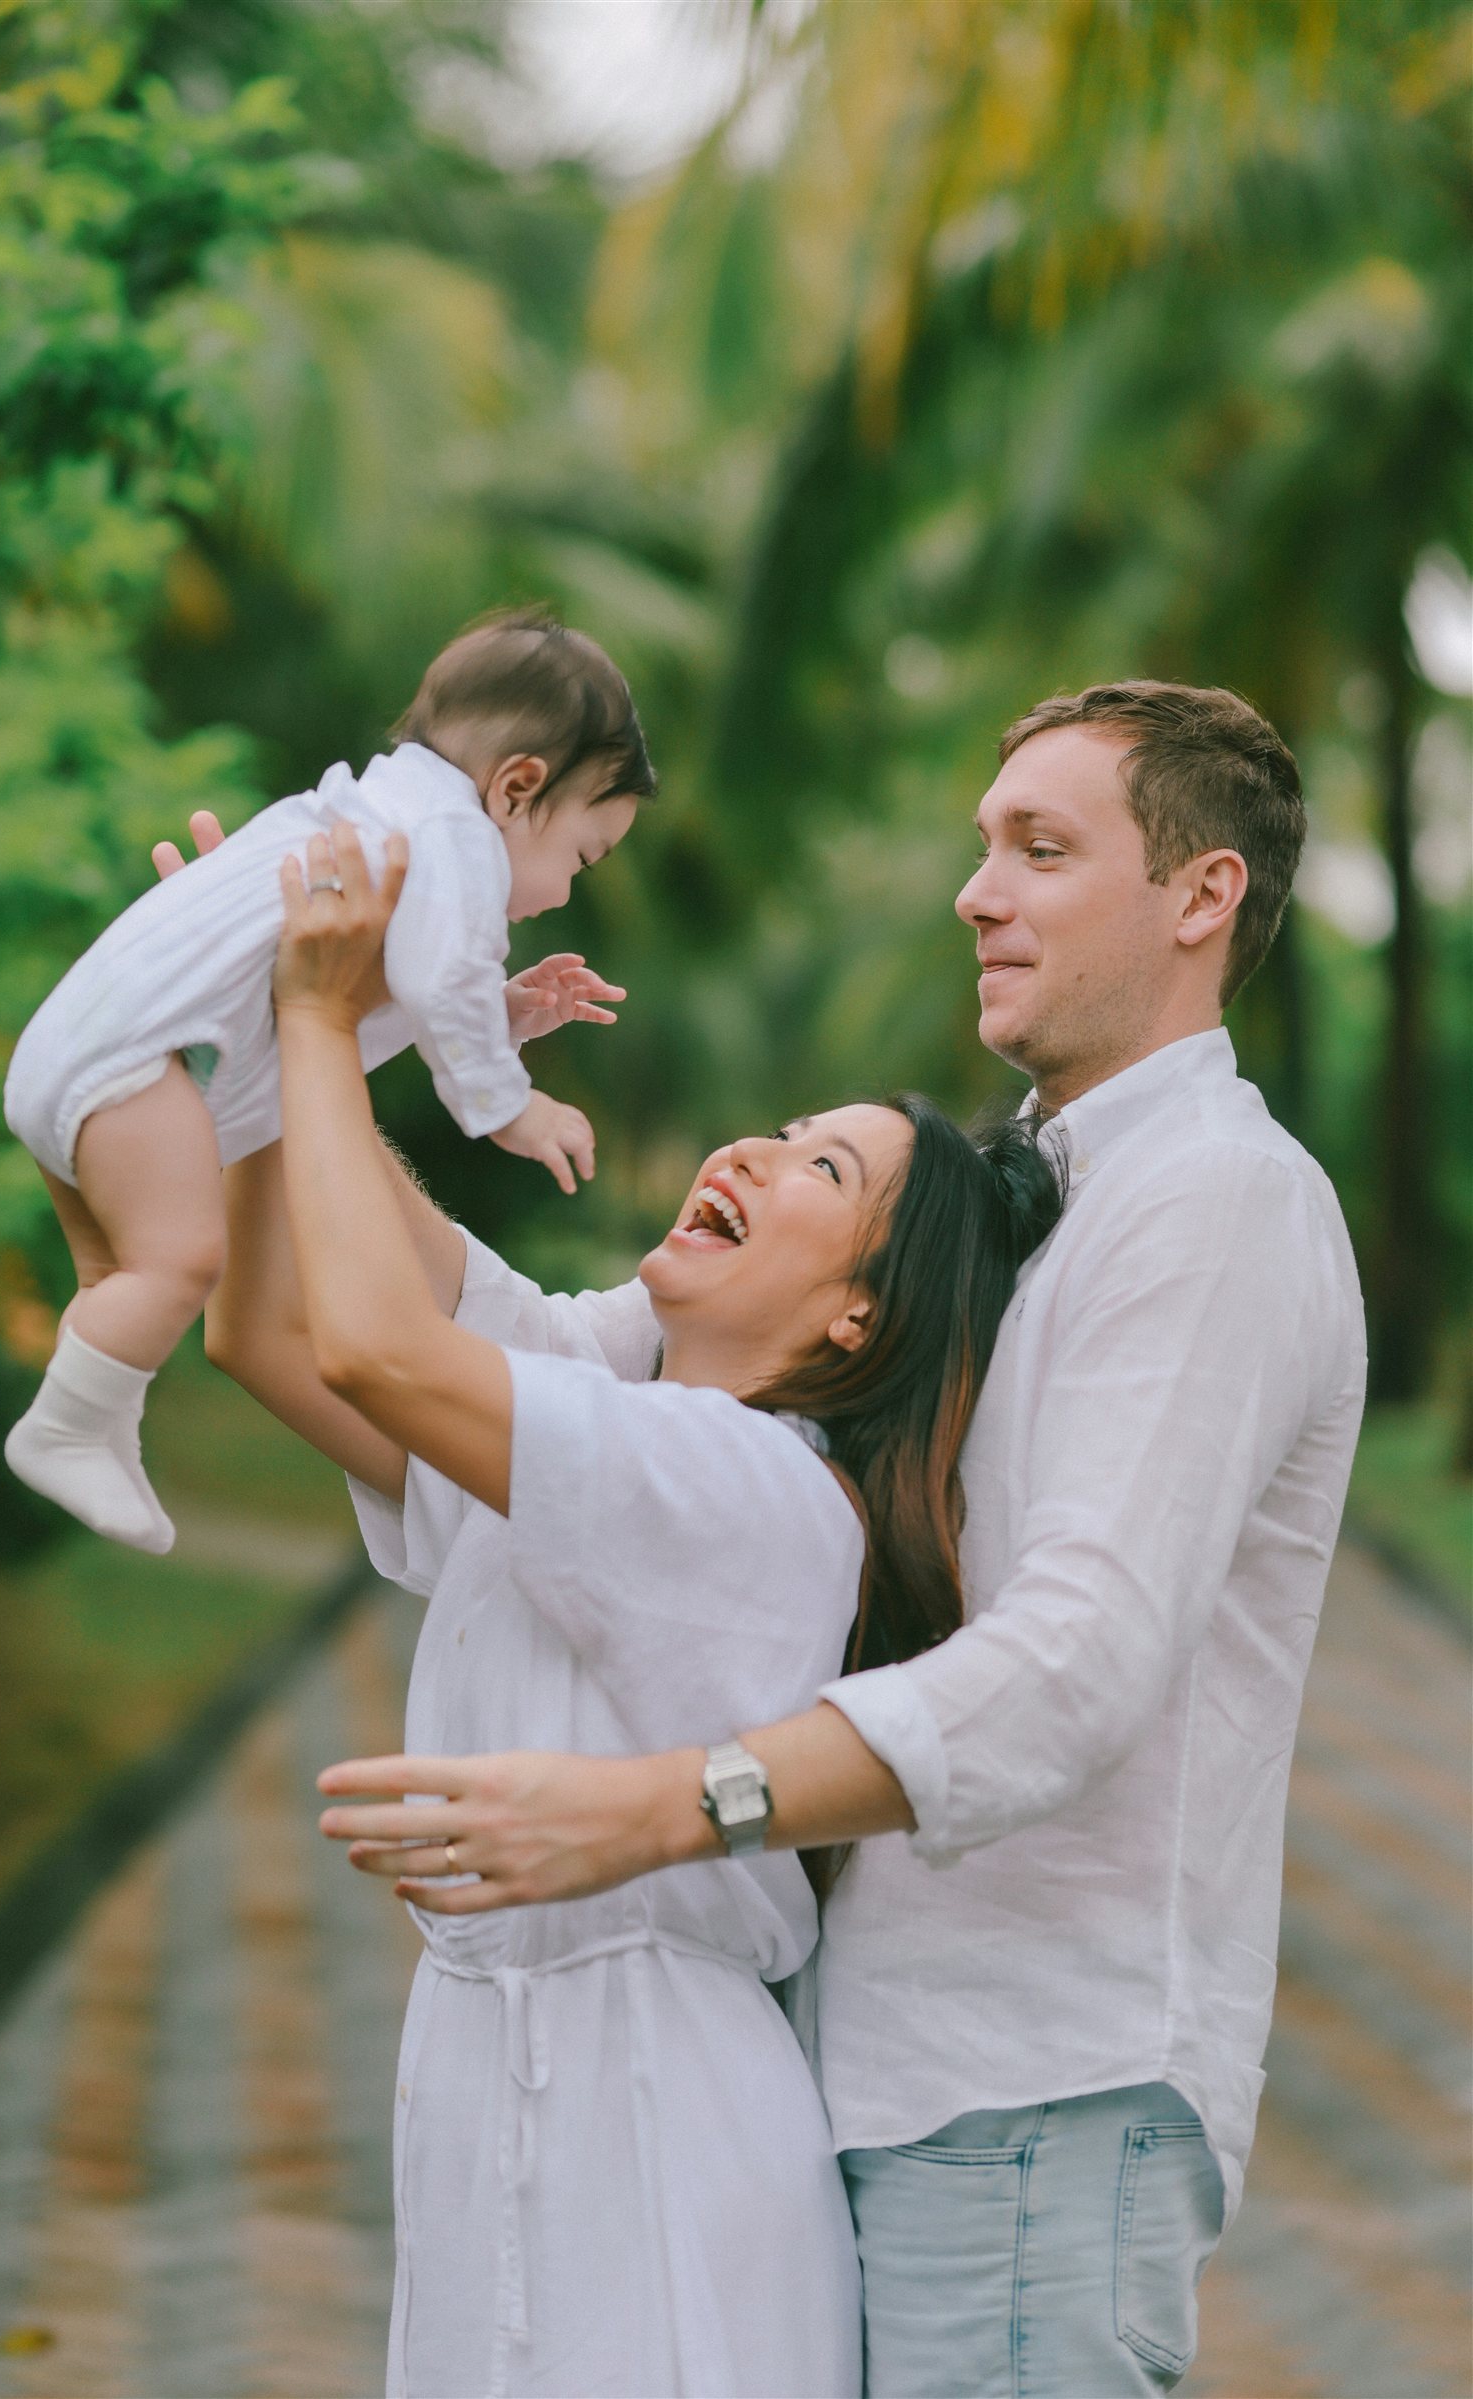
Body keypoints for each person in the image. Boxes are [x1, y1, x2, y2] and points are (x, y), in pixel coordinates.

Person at [317, 682, 1368, 2398]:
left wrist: (654, 1806)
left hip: (1037, 2101)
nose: (979, 890)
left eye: (1042, 846)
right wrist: (314, 1037)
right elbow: (508, 1346)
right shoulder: (1009, 1206)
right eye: (983, 846)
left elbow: (1076, 1657)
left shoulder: (1215, 1203)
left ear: (1202, 896)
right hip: (871, 2084)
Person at [201, 817, 1061, 2398]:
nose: (749, 1148)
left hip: (650, 2116)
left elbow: (380, 1346)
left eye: (822, 1167)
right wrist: (272, 1027)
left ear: (861, 1309)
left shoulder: (750, 1488)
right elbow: (261, 1325)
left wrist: (323, 1023)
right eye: (785, 1125)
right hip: (492, 2077)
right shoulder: (589, 1421)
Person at [2, 609, 651, 1555]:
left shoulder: (374, 814)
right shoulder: (454, 842)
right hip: (130, 1073)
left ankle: (96, 1425)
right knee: (179, 1262)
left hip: (82, 1049)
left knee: (119, 1281)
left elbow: (379, 996)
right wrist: (511, 1104)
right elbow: (433, 981)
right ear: (517, 788)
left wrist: (504, 1011)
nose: (560, 893)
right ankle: (60, 1430)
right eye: (580, 856)